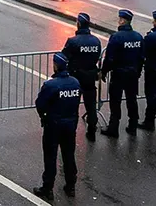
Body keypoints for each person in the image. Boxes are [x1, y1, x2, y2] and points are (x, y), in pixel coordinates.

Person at [32, 53, 81, 201]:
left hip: (53, 125)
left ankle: (48, 188)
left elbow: (40, 104)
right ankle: (71, 185)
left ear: (56, 65)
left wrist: (45, 116)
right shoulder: (75, 83)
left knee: (51, 157)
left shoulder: (51, 85)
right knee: (68, 155)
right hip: (70, 124)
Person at [100, 9, 144, 137]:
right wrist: (138, 72)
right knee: (132, 100)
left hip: (119, 74)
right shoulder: (138, 37)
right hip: (132, 74)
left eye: (119, 19)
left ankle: (113, 128)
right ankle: (133, 125)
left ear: (123, 20)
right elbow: (141, 58)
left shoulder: (116, 37)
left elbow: (110, 58)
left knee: (115, 102)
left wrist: (103, 72)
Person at [61, 13, 102, 141]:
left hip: (75, 78)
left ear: (78, 24)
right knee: (91, 106)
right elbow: (97, 57)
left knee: (72, 107)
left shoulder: (73, 41)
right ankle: (91, 131)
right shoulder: (96, 41)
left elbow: (64, 57)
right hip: (90, 77)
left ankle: (70, 133)